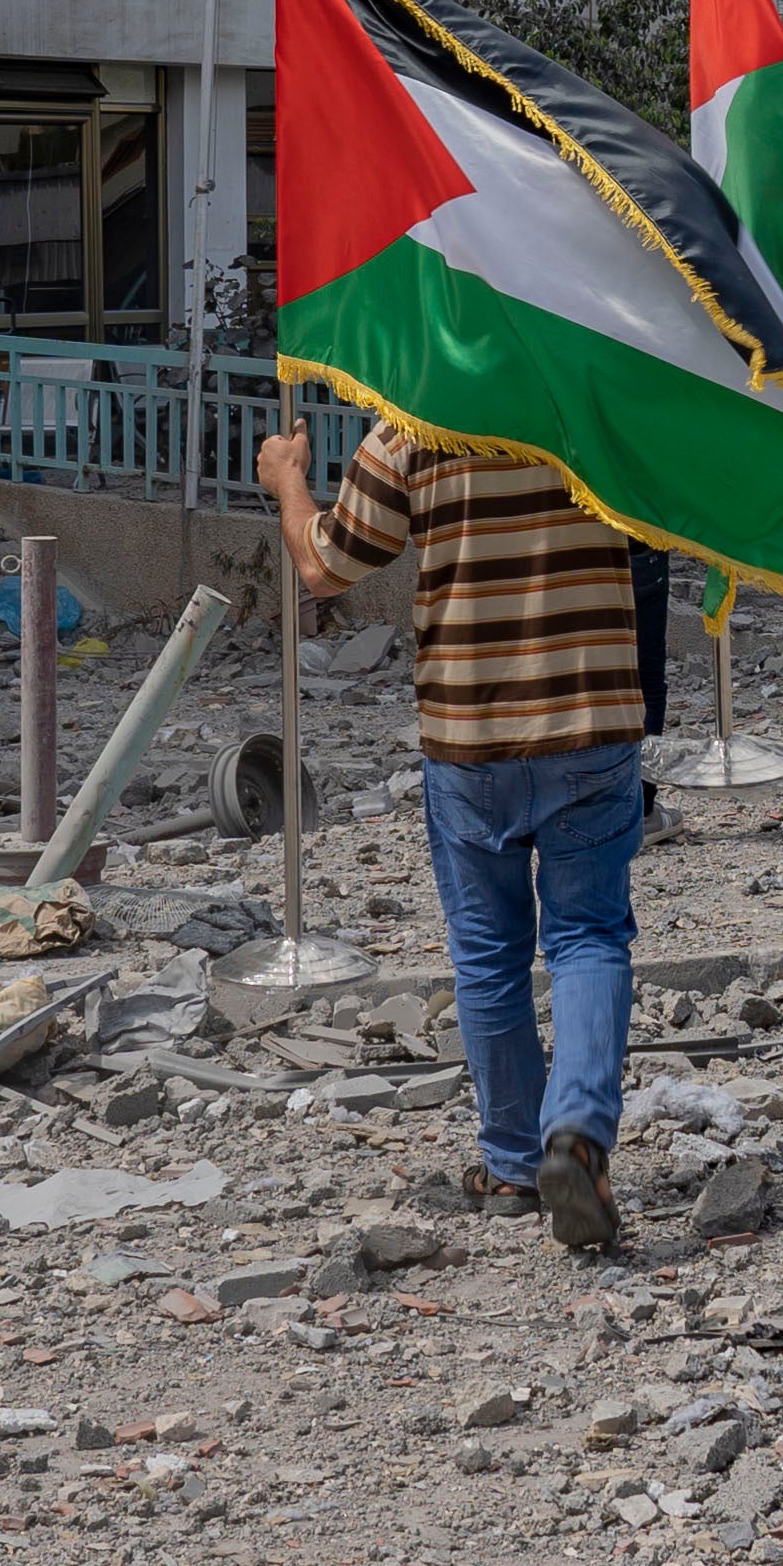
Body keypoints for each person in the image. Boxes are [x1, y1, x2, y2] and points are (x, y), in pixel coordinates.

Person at [257, 415, 650, 1254]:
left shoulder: (412, 423)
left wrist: (289, 481)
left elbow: (325, 565)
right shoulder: (589, 383)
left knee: (488, 951)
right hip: (592, 717)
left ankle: (511, 1163)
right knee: (588, 936)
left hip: (469, 737)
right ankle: (577, 1134)